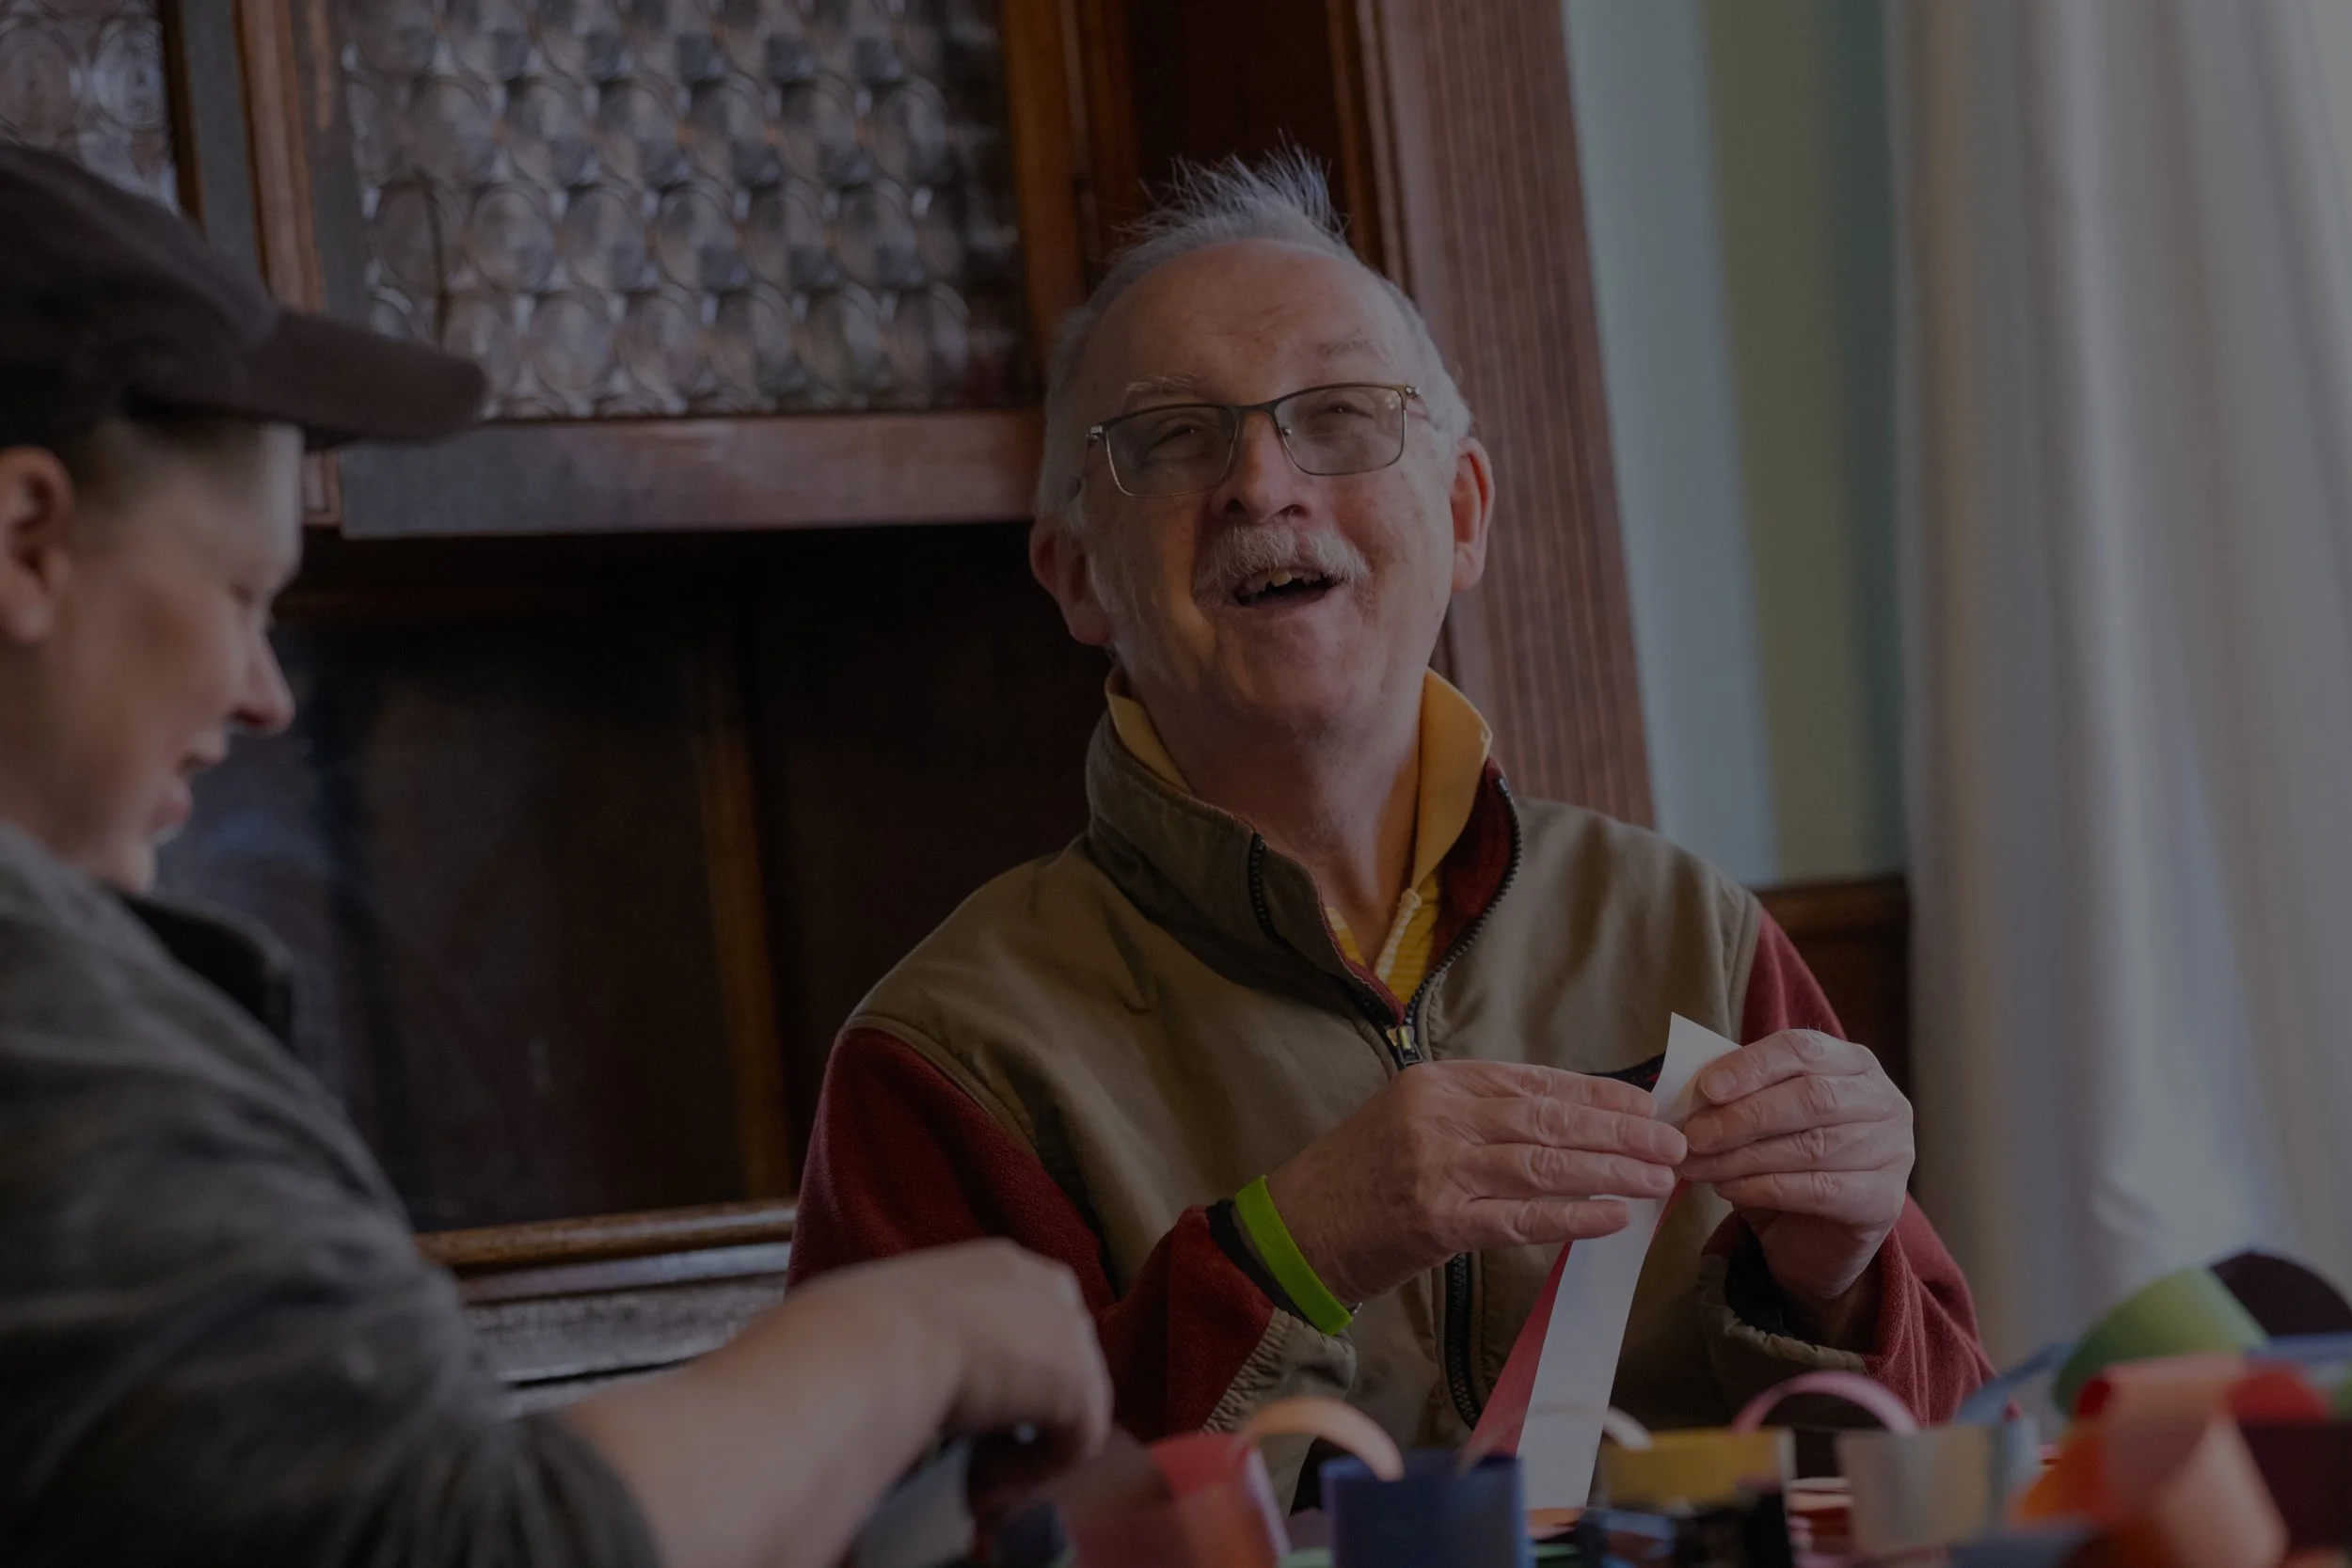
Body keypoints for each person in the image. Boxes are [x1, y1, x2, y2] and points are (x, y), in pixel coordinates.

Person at [788, 156, 1993, 1492]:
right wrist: (1287, 1251)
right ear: (1075, 574)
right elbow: (914, 1530)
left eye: (1342, 416)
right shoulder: (950, 1052)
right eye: (1176, 436)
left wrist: (1833, 1280)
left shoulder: (1686, 927)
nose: (1262, 482)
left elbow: (1953, 1479)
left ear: (1466, 513)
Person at [0, 145, 1110, 1567]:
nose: (266, 693)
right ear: (28, 540)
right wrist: (910, 1334)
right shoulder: (43, 1026)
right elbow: (467, 1549)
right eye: (237, 593)